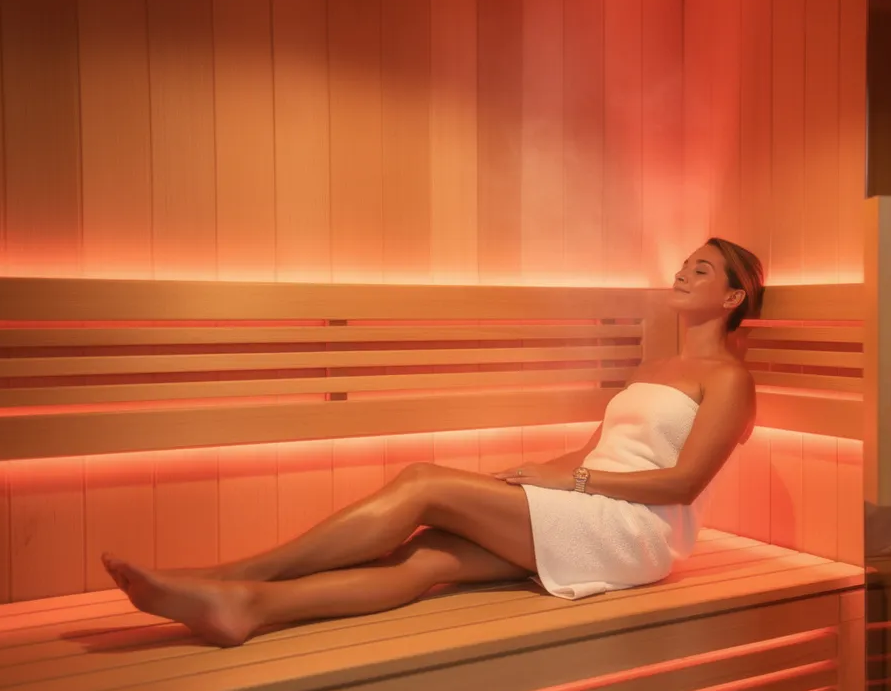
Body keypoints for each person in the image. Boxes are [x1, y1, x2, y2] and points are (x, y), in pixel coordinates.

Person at [102, 238, 766, 647]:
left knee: (423, 483)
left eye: (702, 269)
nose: (683, 272)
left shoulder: (729, 380)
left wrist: (574, 483)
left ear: (734, 297)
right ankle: (246, 608)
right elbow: (595, 452)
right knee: (428, 559)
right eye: (685, 263)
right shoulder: (655, 367)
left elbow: (683, 485)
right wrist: (528, 477)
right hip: (589, 506)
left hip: (637, 531)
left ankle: (235, 574)